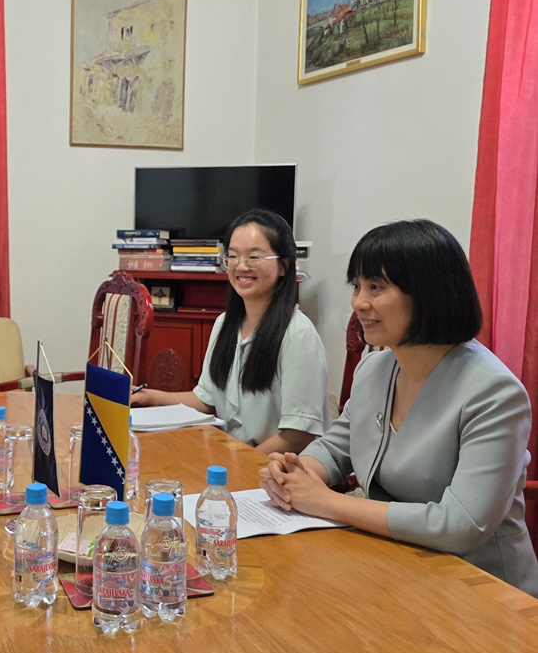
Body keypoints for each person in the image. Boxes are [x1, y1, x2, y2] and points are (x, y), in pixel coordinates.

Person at [258, 219, 538, 597]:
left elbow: (462, 525)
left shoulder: (495, 393)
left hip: (481, 590)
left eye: (376, 287)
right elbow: (336, 446)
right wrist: (296, 472)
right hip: (396, 567)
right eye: (356, 286)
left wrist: (327, 502)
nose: (359, 302)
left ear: (428, 293)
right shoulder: (374, 369)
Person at [132, 209, 329, 454]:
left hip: (276, 468)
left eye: (254, 257)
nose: (241, 266)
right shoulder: (224, 324)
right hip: (232, 458)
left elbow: (299, 435)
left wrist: (241, 465)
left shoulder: (298, 334)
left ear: (284, 266)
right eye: (233, 256)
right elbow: (205, 400)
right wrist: (149, 396)